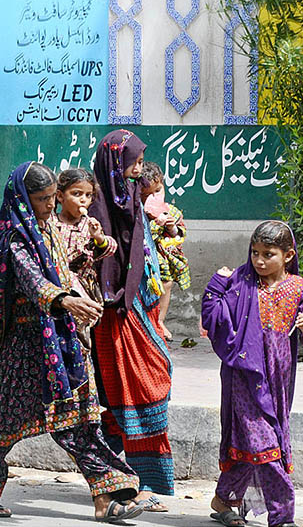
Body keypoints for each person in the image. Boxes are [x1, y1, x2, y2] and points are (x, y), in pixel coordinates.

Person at [0, 162, 143, 523]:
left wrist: (84, 268)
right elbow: (33, 280)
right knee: (5, 425)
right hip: (26, 349)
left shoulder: (46, 229)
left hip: (62, 342)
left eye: (50, 198)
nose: (49, 205)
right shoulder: (13, 238)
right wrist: (65, 300)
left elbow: (61, 269)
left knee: (81, 421)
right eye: (42, 199)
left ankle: (105, 498)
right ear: (22, 199)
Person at [202, 221, 303, 527]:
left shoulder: (299, 288)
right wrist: (216, 283)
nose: (259, 261)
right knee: (265, 443)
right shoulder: (240, 281)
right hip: (244, 375)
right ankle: (282, 515)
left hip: (278, 379)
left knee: (253, 442)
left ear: (288, 255)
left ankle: (224, 498)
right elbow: (213, 315)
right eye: (255, 253)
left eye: (269, 254)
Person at [89, 129, 175, 511]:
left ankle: (145, 482)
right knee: (125, 398)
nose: (139, 171)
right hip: (115, 318)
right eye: (134, 164)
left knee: (153, 388)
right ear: (115, 165)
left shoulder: (131, 203)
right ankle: (126, 484)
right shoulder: (97, 211)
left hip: (143, 314)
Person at [53, 167, 117, 348]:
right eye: (76, 193)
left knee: (80, 336)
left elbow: (110, 248)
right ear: (60, 196)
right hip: (59, 288)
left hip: (85, 290)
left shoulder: (89, 226)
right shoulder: (52, 224)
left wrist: (99, 238)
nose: (83, 200)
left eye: (88, 195)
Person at [140, 161, 190, 341]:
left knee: (166, 284)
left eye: (158, 191)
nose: (153, 197)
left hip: (161, 260)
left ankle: (160, 321)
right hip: (142, 258)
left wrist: (171, 228)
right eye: (147, 194)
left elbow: (179, 234)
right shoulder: (137, 212)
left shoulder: (171, 212)